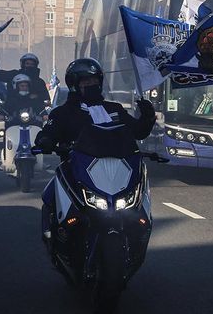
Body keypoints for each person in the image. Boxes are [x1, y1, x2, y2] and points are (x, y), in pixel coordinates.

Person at [35, 58, 155, 236]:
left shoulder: (115, 108)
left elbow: (138, 132)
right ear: (74, 84)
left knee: (138, 210)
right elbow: (48, 132)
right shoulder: (63, 112)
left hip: (118, 171)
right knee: (51, 194)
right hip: (77, 171)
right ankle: (53, 234)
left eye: (94, 81)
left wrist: (147, 116)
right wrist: (45, 140)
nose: (91, 84)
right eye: (85, 81)